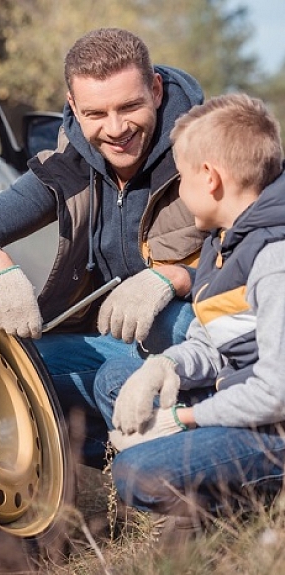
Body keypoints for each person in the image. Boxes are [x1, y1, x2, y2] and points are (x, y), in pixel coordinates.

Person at [0, 28, 206, 466]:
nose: (116, 129)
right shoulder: (68, 168)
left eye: (130, 106)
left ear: (155, 90)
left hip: (204, 335)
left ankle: (216, 446)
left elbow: (264, 258)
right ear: (74, 107)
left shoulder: (210, 148)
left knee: (163, 324)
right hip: (121, 342)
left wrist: (175, 277)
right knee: (14, 370)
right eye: (96, 113)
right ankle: (127, 453)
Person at [94, 93, 285, 535]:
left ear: (210, 178)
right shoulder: (223, 242)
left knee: (136, 474)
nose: (179, 191)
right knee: (117, 380)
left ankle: (239, 511)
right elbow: (214, 342)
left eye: (181, 178)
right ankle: (203, 486)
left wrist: (181, 420)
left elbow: (277, 391)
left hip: (274, 428)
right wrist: (166, 365)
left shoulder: (274, 256)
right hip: (245, 402)